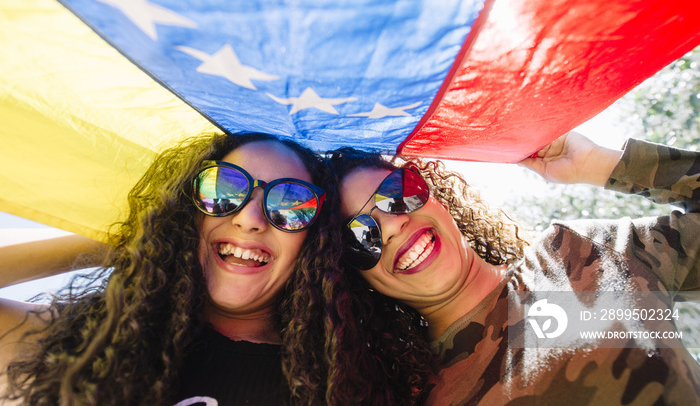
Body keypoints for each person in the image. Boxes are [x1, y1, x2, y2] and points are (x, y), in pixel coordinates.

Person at [327, 131, 700, 404]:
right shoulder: (415, 398)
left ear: (434, 194)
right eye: (359, 237)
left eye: (396, 193)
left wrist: (605, 165)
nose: (392, 227)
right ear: (353, 276)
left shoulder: (582, 251)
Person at [0, 132, 349, 405]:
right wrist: (122, 242)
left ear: (317, 239)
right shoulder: (91, 338)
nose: (249, 218)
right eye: (223, 190)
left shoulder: (340, 383)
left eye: (291, 204)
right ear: (185, 215)